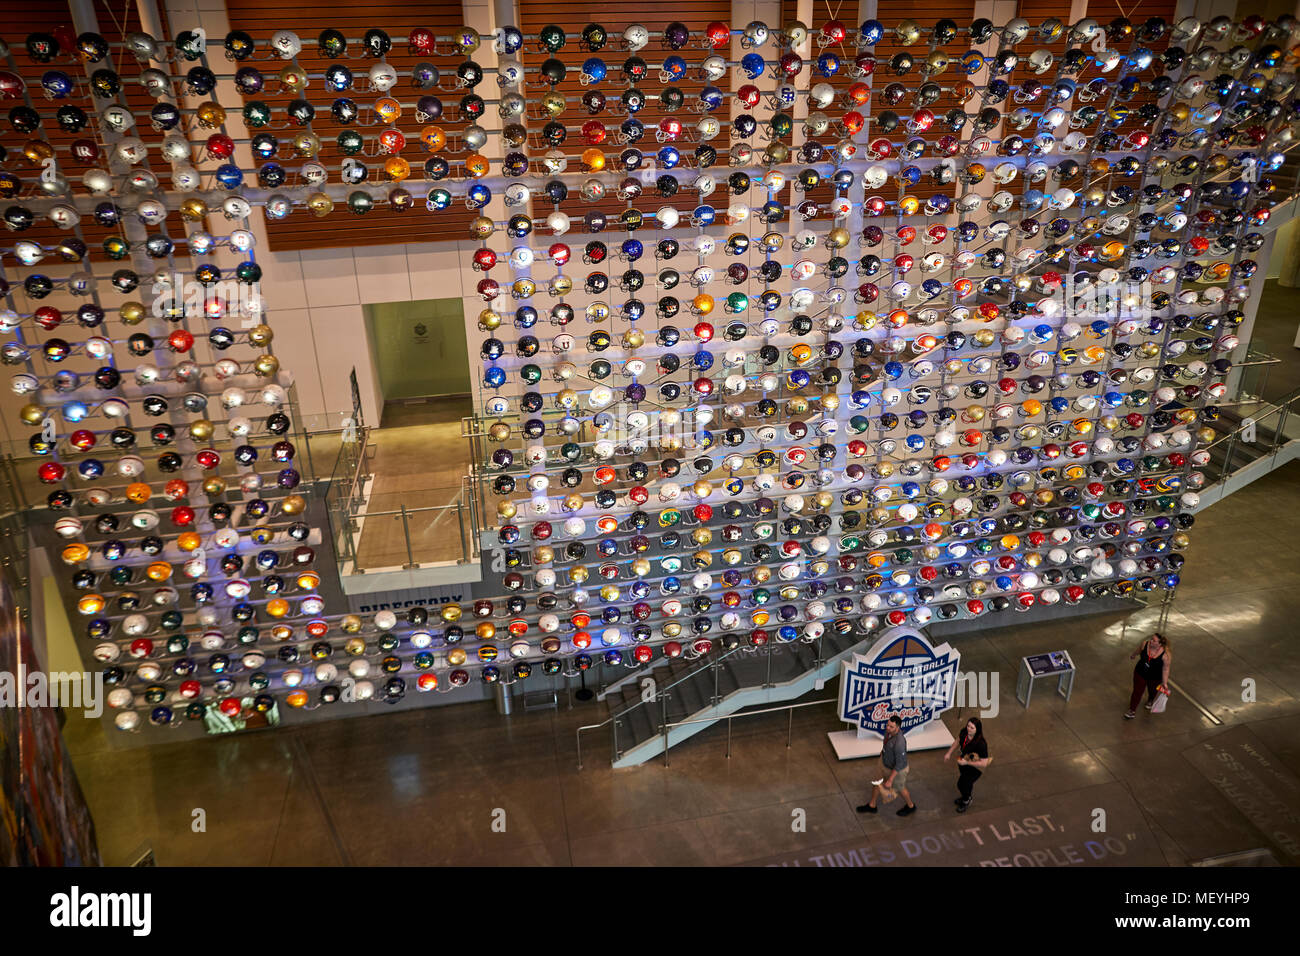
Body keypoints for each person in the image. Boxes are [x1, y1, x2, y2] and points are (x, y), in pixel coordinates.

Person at [857, 714, 916, 816]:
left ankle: (911, 806)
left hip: (897, 770)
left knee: (901, 789)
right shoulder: (888, 733)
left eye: (891, 727)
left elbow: (899, 763)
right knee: (877, 782)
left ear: (898, 727)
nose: (888, 728)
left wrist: (890, 780)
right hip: (884, 763)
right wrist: (882, 753)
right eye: (887, 725)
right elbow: (886, 744)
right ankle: (872, 805)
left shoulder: (899, 743)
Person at [944, 716, 990, 812]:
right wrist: (949, 753)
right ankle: (966, 796)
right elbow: (958, 741)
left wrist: (967, 762)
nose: (969, 729)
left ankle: (966, 800)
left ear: (977, 730)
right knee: (965, 783)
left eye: (972, 728)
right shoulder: (964, 732)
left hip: (975, 768)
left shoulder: (981, 744)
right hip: (964, 762)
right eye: (968, 726)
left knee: (962, 784)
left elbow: (984, 763)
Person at [1126, 632, 1171, 719]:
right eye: (1151, 639)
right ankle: (1132, 710)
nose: (1151, 641)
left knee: (1153, 691)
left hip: (1155, 678)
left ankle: (1150, 700)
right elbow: (1139, 650)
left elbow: (1165, 669)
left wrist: (1165, 683)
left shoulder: (1165, 655)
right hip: (1140, 673)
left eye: (1154, 641)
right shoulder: (1145, 644)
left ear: (1160, 644)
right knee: (1137, 692)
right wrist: (1133, 655)